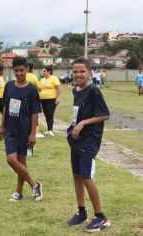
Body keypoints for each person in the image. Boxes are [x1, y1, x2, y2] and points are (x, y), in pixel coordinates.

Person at [66, 58, 111, 233]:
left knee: (86, 176)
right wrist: (73, 127)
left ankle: (101, 217)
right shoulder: (75, 90)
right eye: (75, 71)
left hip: (89, 140)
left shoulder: (94, 91)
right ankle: (81, 211)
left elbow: (105, 115)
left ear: (90, 72)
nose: (78, 75)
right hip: (76, 140)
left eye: (82, 71)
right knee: (76, 176)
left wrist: (83, 123)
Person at [0, 56, 43, 202]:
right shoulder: (9, 86)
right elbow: (5, 107)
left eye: (22, 70)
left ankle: (18, 192)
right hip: (11, 130)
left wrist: (33, 134)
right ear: (13, 70)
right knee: (11, 159)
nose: (19, 73)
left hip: (25, 130)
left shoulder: (32, 89)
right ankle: (35, 184)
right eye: (16, 70)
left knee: (21, 163)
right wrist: (1, 126)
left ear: (27, 69)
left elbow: (34, 113)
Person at [38, 66, 60, 136]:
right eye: (43, 71)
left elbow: (58, 88)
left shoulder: (54, 78)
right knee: (46, 114)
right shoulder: (42, 79)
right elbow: (39, 88)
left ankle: (50, 130)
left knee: (50, 114)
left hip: (52, 99)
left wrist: (57, 98)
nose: (43, 72)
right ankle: (48, 130)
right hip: (43, 100)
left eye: (44, 71)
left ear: (49, 72)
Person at [26, 62, 44, 138]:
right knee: (34, 114)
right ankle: (36, 132)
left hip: (23, 98)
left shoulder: (22, 75)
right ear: (31, 69)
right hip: (33, 98)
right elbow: (38, 87)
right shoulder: (33, 76)